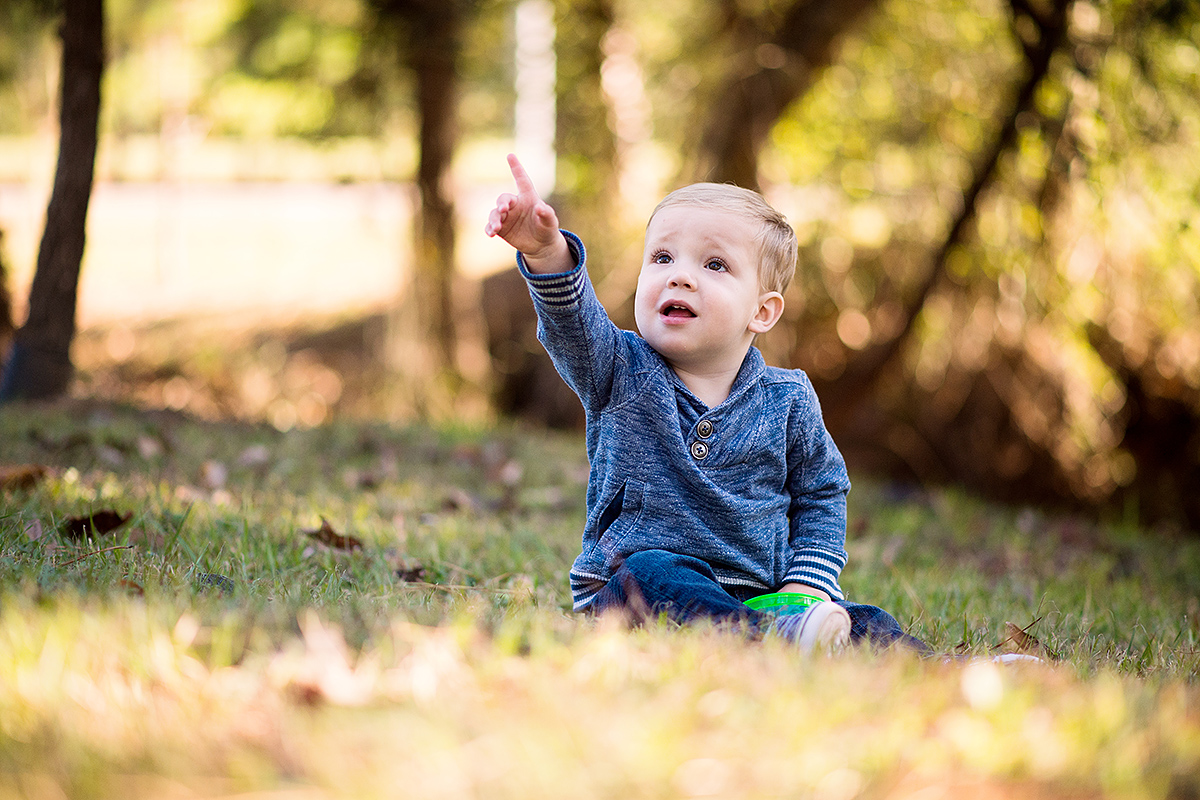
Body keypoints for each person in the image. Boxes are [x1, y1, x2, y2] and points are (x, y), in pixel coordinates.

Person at [486, 154, 928, 654]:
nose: (680, 277)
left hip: (760, 594)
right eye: (662, 258)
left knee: (867, 620)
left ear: (762, 311)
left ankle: (936, 667)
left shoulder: (788, 400)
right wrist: (547, 253)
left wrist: (807, 585)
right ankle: (773, 639)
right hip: (633, 591)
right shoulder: (619, 369)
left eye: (714, 264)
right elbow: (573, 324)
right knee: (651, 573)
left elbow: (821, 493)